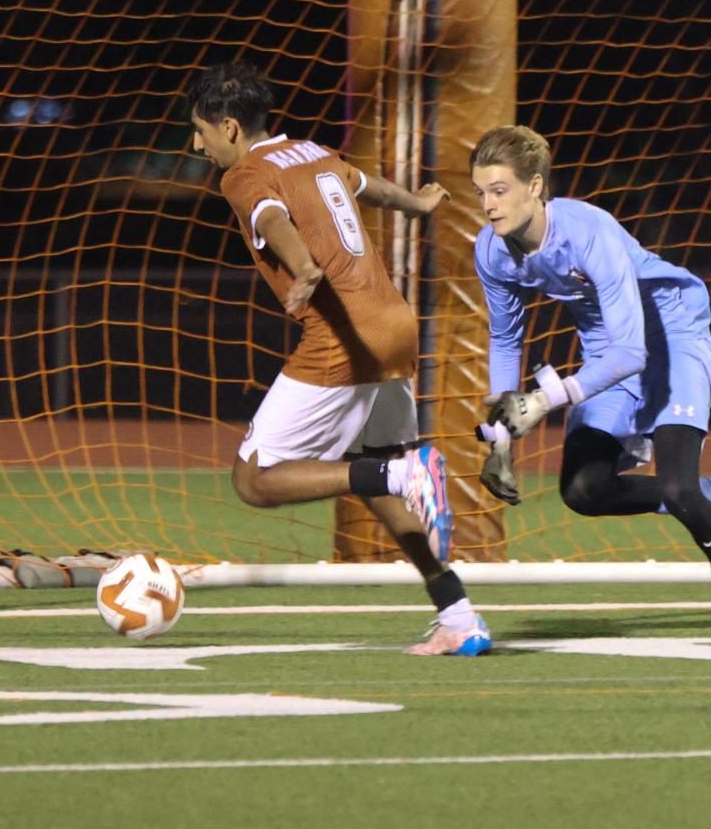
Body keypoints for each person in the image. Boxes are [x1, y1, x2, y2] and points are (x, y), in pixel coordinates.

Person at [187, 59, 489, 657]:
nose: (195, 144)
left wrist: (301, 267)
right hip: (397, 327)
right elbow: (366, 185)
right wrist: (418, 207)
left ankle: (409, 472)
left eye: (198, 129)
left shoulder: (243, 175)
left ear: (228, 127)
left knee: (254, 479)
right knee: (374, 479)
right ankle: (458, 614)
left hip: (342, 337)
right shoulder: (311, 151)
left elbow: (270, 219)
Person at [466, 125, 711, 638]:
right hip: (607, 351)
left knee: (677, 486)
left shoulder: (587, 231)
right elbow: (506, 341)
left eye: (499, 190)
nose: (488, 205)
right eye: (480, 192)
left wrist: (547, 398)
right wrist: (500, 441)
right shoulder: (492, 250)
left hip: (673, 339)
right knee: (583, 490)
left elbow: (633, 351)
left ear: (535, 187)